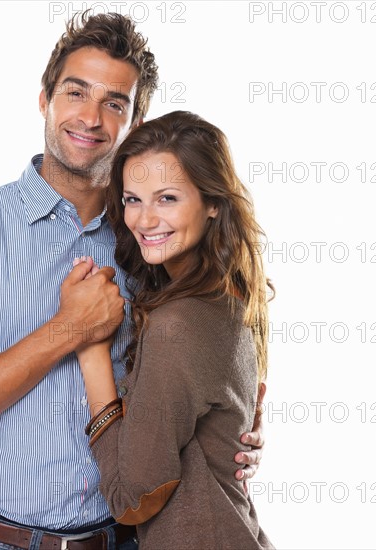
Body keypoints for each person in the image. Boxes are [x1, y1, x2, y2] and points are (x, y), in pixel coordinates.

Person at [0, 12, 265, 550]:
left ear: (135, 123)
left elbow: (192, 364)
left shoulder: (153, 239)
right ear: (45, 100)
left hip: (132, 537)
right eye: (76, 92)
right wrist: (69, 331)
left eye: (114, 103)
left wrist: (229, 434)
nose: (91, 118)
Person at [71, 111, 274, 548]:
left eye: (166, 199)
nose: (144, 221)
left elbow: (132, 502)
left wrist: (89, 350)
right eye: (132, 200)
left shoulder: (176, 324)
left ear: (213, 201)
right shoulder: (229, 295)